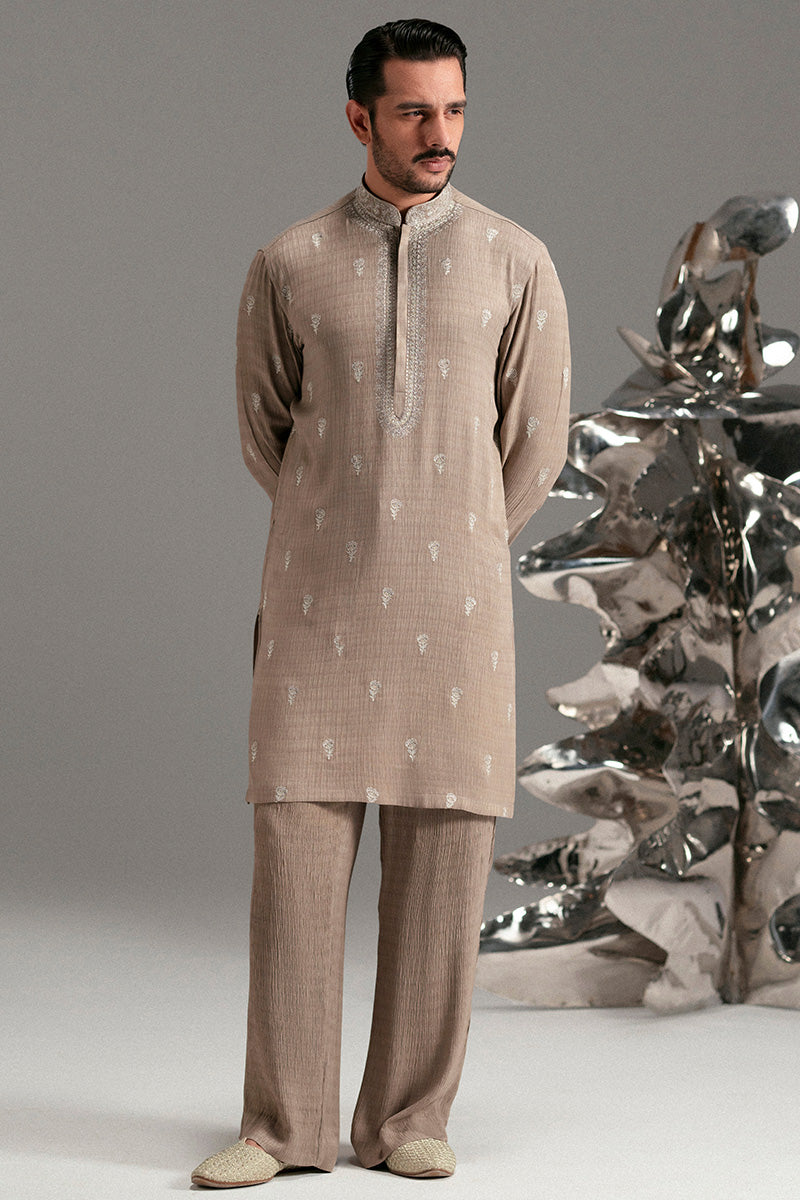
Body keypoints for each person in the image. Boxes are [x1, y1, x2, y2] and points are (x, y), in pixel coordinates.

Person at [191, 17, 570, 1188]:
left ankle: (408, 1116)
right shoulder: (290, 260)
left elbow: (533, 448)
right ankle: (282, 1127)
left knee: (444, 871)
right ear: (358, 117)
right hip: (315, 609)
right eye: (412, 112)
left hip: (456, 617)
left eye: (452, 110)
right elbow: (265, 431)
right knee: (293, 869)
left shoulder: (515, 260)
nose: (437, 134)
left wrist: (449, 538)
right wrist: (345, 522)